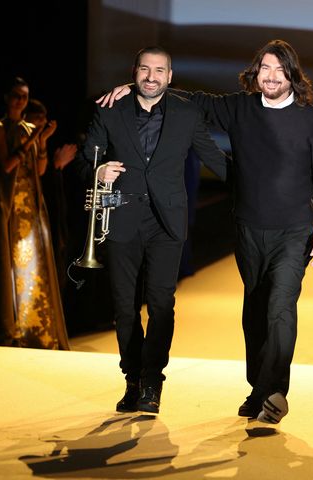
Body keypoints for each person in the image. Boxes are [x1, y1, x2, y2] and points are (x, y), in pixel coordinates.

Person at [98, 39, 313, 423]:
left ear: (292, 74)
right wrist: (139, 88)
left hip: (294, 229)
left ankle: (274, 391)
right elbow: (195, 100)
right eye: (265, 69)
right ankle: (258, 388)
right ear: (256, 73)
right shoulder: (240, 108)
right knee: (255, 310)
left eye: (279, 69)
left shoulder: (311, 119)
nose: (271, 76)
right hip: (248, 227)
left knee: (280, 306)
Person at [73, 46, 228, 414]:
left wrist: (264, 188)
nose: (151, 76)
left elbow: (216, 160)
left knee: (161, 305)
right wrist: (97, 172)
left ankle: (152, 381)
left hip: (166, 223)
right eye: (145, 69)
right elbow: (84, 160)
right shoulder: (110, 110)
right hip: (122, 219)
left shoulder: (186, 113)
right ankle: (132, 378)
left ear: (169, 76)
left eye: (159, 70)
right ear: (135, 72)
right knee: (125, 308)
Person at [0, 77, 69, 350]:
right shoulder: (0, 127)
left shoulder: (28, 128)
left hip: (32, 207)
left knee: (36, 268)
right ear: (7, 98)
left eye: (24, 96)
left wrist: (43, 143)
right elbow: (7, 165)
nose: (21, 101)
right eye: (16, 96)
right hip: (12, 207)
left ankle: (39, 328)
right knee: (15, 267)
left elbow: (40, 170)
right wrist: (33, 139)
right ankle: (17, 329)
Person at [23, 99, 78, 290]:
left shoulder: (41, 141)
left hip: (50, 210)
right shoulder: (24, 138)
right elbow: (38, 174)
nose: (42, 122)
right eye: (37, 117)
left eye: (43, 117)